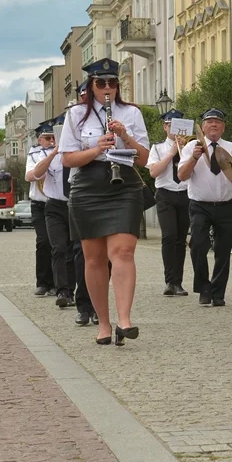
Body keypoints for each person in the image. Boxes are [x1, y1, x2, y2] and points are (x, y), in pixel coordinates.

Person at [59, 59, 150, 346]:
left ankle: (125, 320)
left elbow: (145, 159)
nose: (107, 88)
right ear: (91, 85)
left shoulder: (131, 112)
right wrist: (97, 148)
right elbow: (67, 159)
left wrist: (125, 136)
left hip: (124, 184)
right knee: (95, 258)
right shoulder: (76, 115)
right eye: (101, 83)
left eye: (112, 83)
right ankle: (104, 324)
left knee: (123, 252)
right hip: (87, 185)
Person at [178, 108, 232, 307]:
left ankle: (218, 291)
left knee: (223, 251)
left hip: (226, 205)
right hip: (200, 205)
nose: (213, 125)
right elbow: (181, 176)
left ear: (223, 127)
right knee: (197, 246)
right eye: (209, 122)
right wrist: (194, 157)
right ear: (203, 127)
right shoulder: (191, 147)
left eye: (217, 122)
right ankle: (204, 287)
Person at [29, 117, 75, 308]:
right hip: (54, 206)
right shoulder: (43, 154)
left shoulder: (77, 151)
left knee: (74, 251)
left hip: (74, 205)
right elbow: (34, 174)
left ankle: (71, 290)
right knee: (57, 248)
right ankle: (61, 290)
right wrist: (55, 151)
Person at [147, 109, 191, 297]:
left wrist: (184, 150)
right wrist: (173, 151)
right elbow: (154, 172)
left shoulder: (190, 147)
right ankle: (169, 281)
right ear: (165, 127)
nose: (174, 129)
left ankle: (178, 282)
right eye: (170, 125)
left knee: (181, 240)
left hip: (184, 193)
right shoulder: (157, 148)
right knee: (169, 236)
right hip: (165, 194)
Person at [69, 80, 98, 327]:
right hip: (80, 186)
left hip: (108, 188)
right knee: (82, 253)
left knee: (107, 255)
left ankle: (99, 304)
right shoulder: (74, 119)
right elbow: (68, 157)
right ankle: (83, 305)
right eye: (83, 95)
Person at [25, 122, 56, 297]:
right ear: (39, 139)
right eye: (47, 138)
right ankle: (43, 282)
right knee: (43, 242)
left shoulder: (62, 153)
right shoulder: (34, 154)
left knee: (58, 244)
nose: (51, 141)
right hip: (40, 203)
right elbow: (31, 176)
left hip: (57, 203)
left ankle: (58, 284)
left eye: (53, 137)